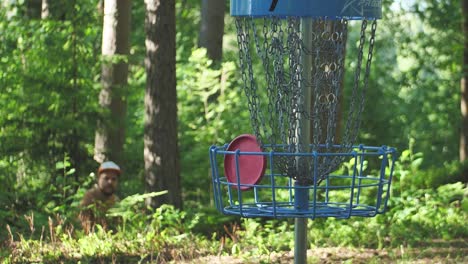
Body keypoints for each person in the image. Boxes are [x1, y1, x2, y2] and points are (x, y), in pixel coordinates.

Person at [79, 161, 120, 233]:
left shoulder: (116, 201)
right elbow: (81, 225)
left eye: (114, 179)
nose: (110, 182)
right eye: (106, 178)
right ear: (99, 178)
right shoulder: (90, 197)